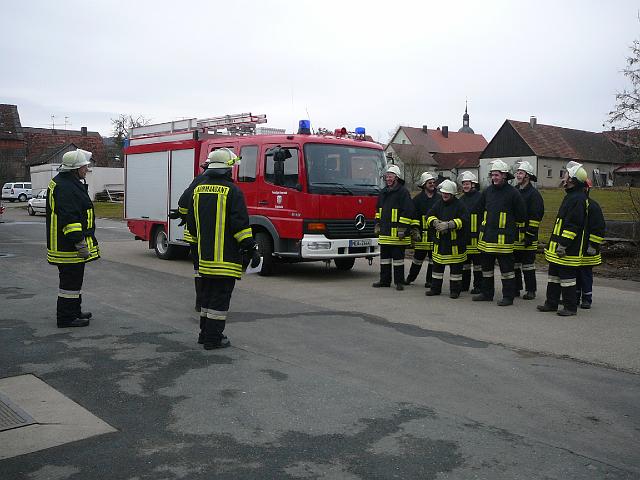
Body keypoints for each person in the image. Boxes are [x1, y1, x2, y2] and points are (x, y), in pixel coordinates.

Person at [186, 148, 261, 349]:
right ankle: (213, 339)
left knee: (207, 298)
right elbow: (240, 227)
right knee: (219, 301)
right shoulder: (233, 191)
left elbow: (191, 225)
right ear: (228, 169)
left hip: (204, 259)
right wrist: (252, 249)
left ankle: (204, 334)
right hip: (226, 260)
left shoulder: (198, 190)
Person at [46, 149, 100, 328]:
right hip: (68, 247)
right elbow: (70, 219)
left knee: (74, 281)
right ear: (75, 169)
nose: (86, 169)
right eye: (84, 166)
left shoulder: (66, 182)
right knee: (69, 283)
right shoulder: (66, 187)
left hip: (67, 245)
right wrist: (80, 243)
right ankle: (66, 318)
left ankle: (74, 311)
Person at [172, 151, 217, 343]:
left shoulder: (198, 181)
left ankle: (200, 303)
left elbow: (183, 202)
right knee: (210, 270)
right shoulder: (214, 183)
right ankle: (207, 304)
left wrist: (184, 215)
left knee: (199, 270)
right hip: (209, 237)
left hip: (193, 234)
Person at [537, 161, 589, 316]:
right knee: (553, 277)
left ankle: (570, 307)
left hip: (567, 249)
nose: (563, 177)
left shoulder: (577, 199)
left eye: (566, 174)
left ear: (572, 180)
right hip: (559, 248)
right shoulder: (571, 196)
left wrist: (563, 245)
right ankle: (551, 303)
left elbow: (573, 225)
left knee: (568, 279)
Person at [473, 159, 526, 306]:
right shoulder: (487, 191)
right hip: (487, 239)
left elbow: (521, 215)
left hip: (504, 241)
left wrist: (514, 231)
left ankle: (508, 296)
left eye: (497, 175)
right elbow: (478, 210)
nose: (494, 177)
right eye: (492, 175)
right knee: (486, 269)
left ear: (504, 175)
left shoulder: (513, 193)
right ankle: (486, 293)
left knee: (507, 271)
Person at [373, 164, 417, 291]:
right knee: (384, 260)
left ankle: (399, 282)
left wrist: (402, 228)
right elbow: (378, 210)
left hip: (398, 235)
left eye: (390, 177)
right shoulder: (383, 192)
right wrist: (377, 223)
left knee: (398, 260)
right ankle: (384, 281)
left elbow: (408, 211)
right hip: (385, 233)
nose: (388, 179)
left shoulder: (403, 192)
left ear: (396, 178)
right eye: (387, 177)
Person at [425, 179, 468, 298]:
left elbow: (465, 220)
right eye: (443, 192)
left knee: (456, 270)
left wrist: (449, 224)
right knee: (437, 269)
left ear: (453, 194)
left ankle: (455, 291)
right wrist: (435, 222)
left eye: (447, 193)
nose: (444, 195)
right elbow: (428, 216)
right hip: (441, 243)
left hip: (455, 245)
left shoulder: (460, 205)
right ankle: (435, 289)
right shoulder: (438, 204)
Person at [513, 161, 544, 300]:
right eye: (517, 172)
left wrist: (530, 235)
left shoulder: (534, 195)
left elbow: (536, 217)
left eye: (521, 173)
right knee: (514, 265)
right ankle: (516, 288)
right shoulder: (515, 191)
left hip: (527, 236)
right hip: (514, 235)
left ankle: (531, 290)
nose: (518, 175)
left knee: (528, 265)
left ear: (528, 176)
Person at [405, 172, 440, 288]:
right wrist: (415, 230)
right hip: (421, 235)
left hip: (435, 235)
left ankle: (430, 281)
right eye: (429, 182)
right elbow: (414, 216)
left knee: (433, 260)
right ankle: (410, 278)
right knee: (417, 259)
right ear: (424, 184)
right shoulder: (417, 199)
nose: (432, 184)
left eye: (433, 182)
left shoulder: (439, 198)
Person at [576, 179, 606, 309]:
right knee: (575, 274)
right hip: (576, 249)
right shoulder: (576, 204)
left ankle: (587, 299)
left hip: (587, 249)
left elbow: (598, 228)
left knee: (585, 274)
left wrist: (593, 245)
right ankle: (574, 297)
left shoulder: (593, 206)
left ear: (586, 189)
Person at [457, 171, 482, 294]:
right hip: (465, 237)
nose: (465, 186)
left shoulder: (480, 198)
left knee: (478, 265)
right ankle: (464, 285)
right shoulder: (461, 200)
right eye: (464, 184)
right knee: (465, 264)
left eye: (467, 183)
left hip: (477, 237)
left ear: (473, 184)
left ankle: (478, 286)